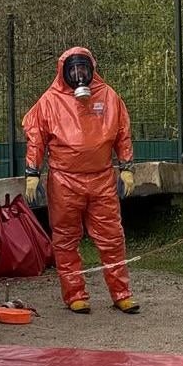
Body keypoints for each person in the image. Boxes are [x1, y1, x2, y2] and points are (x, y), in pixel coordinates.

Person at [23, 47, 138, 314]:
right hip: (64, 179)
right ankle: (74, 294)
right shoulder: (50, 101)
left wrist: (126, 167)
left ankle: (121, 292)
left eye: (83, 69)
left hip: (102, 178)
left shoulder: (108, 96)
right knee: (65, 238)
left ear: (91, 69)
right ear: (63, 73)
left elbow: (123, 132)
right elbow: (35, 137)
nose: (78, 75)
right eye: (73, 70)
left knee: (111, 237)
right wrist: (32, 173)